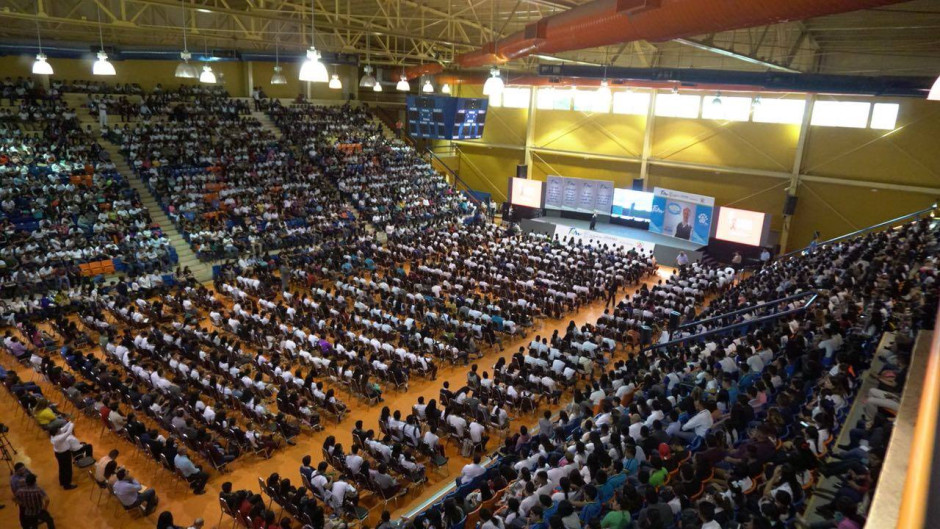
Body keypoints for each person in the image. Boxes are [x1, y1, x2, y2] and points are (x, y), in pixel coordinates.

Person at [51, 421, 92, 490]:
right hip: (63, 454)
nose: (60, 430)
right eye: (58, 429)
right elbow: (68, 432)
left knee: (62, 468)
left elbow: (63, 429)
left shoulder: (54, 435)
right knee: (67, 469)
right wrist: (72, 424)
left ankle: (63, 481)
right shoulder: (58, 438)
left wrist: (69, 423)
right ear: (56, 432)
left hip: (61, 453)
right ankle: (67, 485)